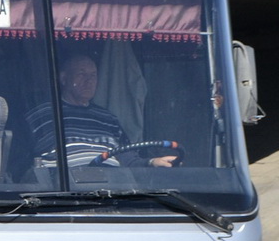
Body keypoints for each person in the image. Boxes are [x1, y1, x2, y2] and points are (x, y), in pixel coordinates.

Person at [26, 54, 178, 168]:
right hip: (60, 192)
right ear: (64, 78)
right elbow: (21, 162)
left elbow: (127, 157)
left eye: (93, 75)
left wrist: (152, 162)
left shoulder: (108, 118)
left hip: (112, 190)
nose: (89, 81)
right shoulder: (42, 115)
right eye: (81, 74)